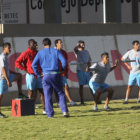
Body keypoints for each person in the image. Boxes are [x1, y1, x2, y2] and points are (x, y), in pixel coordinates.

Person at [32, 38, 69, 118]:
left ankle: (50, 114)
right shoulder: (56, 51)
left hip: (45, 75)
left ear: (43, 44)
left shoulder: (40, 53)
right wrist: (62, 69)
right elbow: (64, 61)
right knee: (60, 93)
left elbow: (33, 65)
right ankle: (65, 111)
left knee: (47, 95)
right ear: (51, 43)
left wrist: (38, 74)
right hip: (56, 74)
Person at [15, 39, 45, 114]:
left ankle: (45, 109)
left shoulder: (38, 53)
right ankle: (31, 110)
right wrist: (25, 69)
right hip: (30, 75)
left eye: (36, 43)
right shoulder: (26, 53)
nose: (36, 45)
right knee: (31, 92)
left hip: (39, 75)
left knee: (42, 91)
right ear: (30, 45)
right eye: (34, 44)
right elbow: (17, 62)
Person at [0, 43, 26, 118]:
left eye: (10, 48)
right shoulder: (2, 57)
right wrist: (8, 80)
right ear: (4, 49)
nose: (10, 49)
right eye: (8, 48)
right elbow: (3, 69)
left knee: (19, 76)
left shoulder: (6, 57)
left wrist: (14, 73)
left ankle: (20, 93)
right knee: (1, 95)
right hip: (3, 78)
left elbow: (7, 69)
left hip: (8, 76)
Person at [55, 39, 77, 106]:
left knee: (66, 86)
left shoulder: (64, 52)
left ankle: (70, 101)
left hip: (63, 73)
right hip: (55, 73)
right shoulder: (53, 52)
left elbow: (66, 63)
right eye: (60, 43)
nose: (62, 44)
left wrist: (66, 71)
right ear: (56, 44)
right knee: (57, 88)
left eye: (62, 43)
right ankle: (59, 102)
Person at [74, 40, 93, 105]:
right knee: (81, 86)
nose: (83, 45)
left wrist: (90, 70)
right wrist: (77, 45)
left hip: (87, 70)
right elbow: (75, 49)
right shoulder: (78, 52)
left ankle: (95, 98)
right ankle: (82, 101)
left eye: (84, 44)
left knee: (91, 85)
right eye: (82, 44)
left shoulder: (87, 52)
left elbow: (89, 61)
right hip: (80, 70)